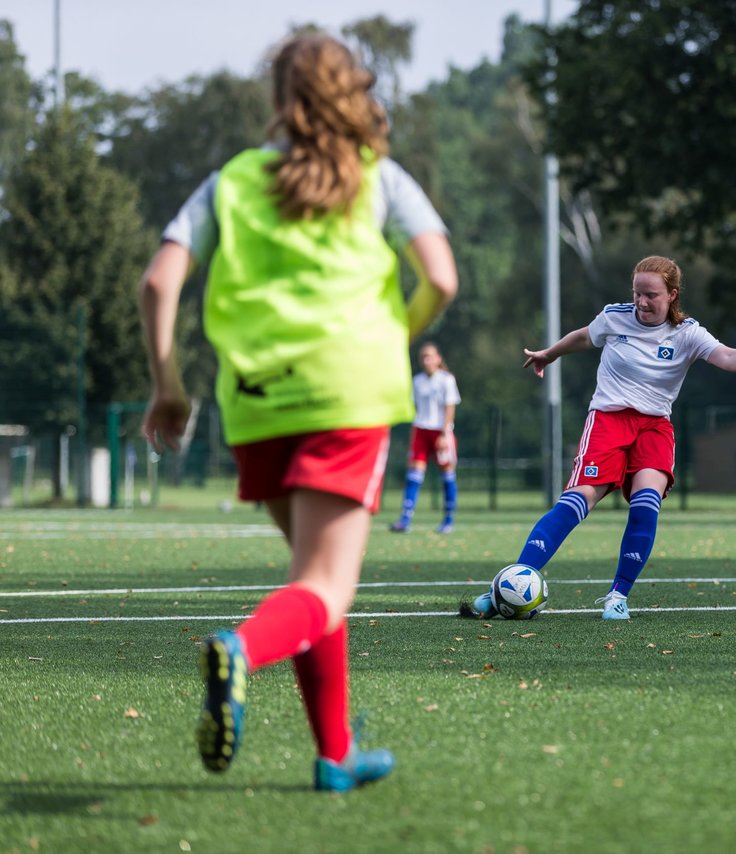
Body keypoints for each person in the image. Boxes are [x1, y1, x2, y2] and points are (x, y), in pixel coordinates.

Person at [138, 33, 457, 792]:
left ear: (280, 98)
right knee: (323, 584)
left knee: (314, 579)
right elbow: (441, 278)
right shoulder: (378, 175)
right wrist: (396, 332)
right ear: (350, 94)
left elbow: (158, 283)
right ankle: (240, 649)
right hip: (345, 395)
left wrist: (168, 384)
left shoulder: (230, 181)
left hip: (256, 400)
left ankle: (334, 754)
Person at [461, 255, 736, 621]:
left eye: (651, 295)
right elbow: (584, 337)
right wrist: (549, 354)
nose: (642, 303)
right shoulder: (615, 318)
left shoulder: (688, 334)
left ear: (672, 295)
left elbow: (726, 355)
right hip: (607, 422)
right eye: (637, 293)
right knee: (576, 501)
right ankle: (509, 585)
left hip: (654, 429)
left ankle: (618, 596)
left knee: (647, 503)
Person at [390, 342, 461, 534]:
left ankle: (448, 519)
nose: (426, 360)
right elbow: (417, 411)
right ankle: (405, 519)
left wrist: (445, 434)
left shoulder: (446, 380)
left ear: (438, 359)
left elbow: (450, 408)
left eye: (429, 356)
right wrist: (413, 439)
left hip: (440, 432)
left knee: (447, 475)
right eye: (423, 357)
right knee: (414, 475)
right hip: (421, 431)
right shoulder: (417, 381)